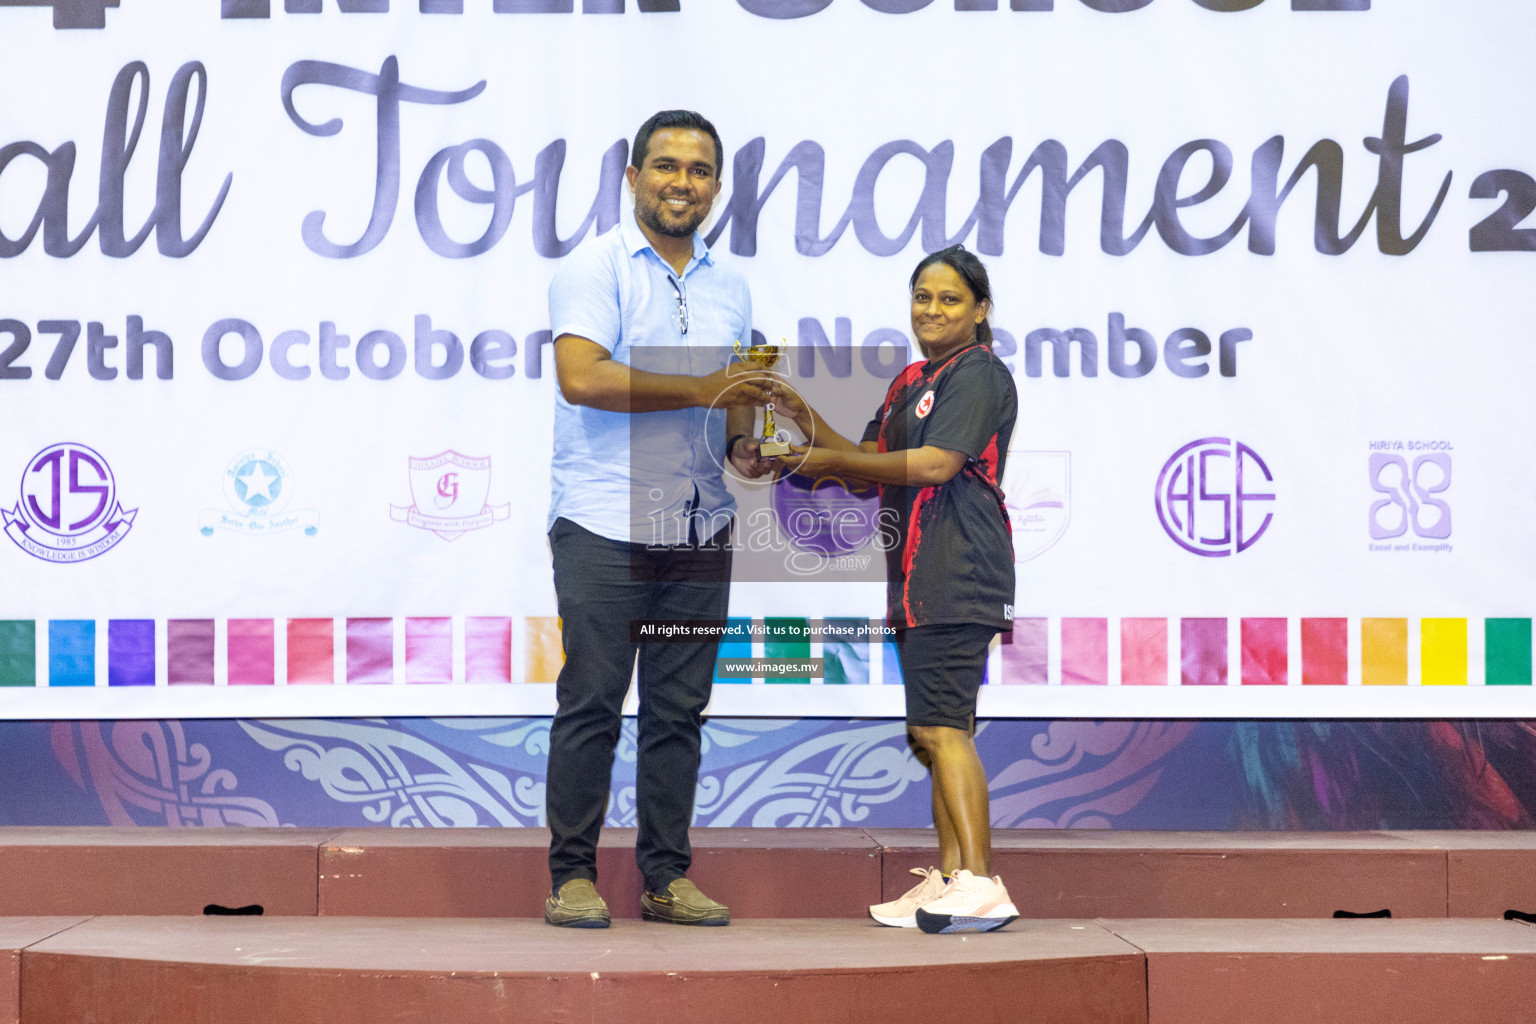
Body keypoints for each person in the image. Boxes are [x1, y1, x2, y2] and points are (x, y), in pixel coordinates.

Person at [543, 109, 776, 929]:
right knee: (593, 702)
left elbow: (732, 417)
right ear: (633, 177)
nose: (684, 182)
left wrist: (755, 446)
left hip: (698, 529)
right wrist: (708, 386)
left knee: (679, 712)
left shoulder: (731, 285)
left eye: (700, 170)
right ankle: (571, 876)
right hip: (605, 525)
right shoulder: (594, 268)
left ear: (717, 187)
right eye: (667, 166)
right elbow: (583, 377)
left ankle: (666, 878)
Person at [779, 244, 1020, 934]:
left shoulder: (978, 374)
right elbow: (864, 463)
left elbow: (939, 464)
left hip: (960, 568)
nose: (932, 310)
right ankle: (950, 878)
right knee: (934, 729)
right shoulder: (913, 380)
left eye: (949, 299)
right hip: (917, 579)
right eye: (922, 297)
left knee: (944, 729)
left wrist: (825, 458)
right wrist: (797, 421)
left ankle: (980, 882)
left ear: (980, 310)